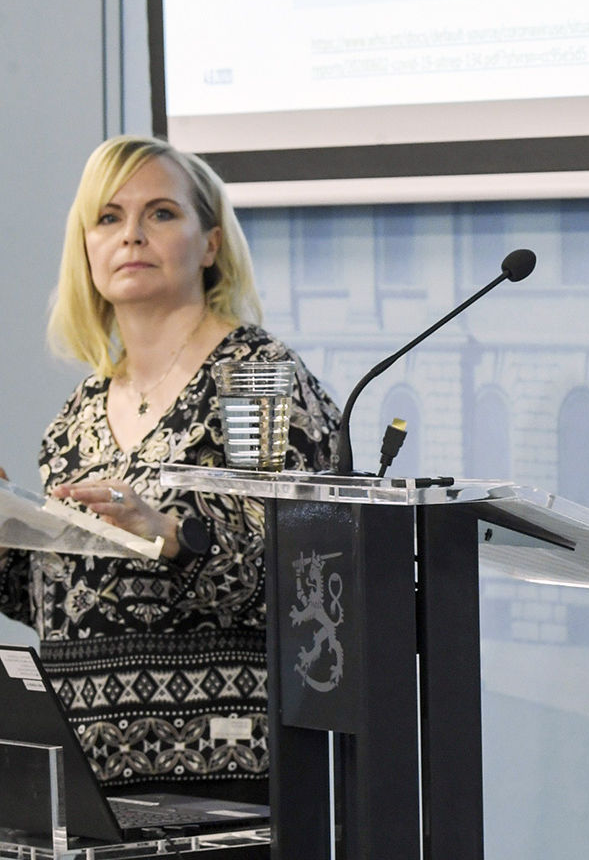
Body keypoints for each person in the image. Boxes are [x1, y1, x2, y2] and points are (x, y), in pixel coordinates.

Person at [0, 136, 339, 804]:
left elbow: (307, 581)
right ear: (86, 248)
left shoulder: (256, 379)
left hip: (227, 770)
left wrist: (174, 538)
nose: (131, 234)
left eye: (160, 212)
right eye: (108, 217)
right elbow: (60, 603)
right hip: (86, 778)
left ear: (210, 244)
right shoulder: (75, 415)